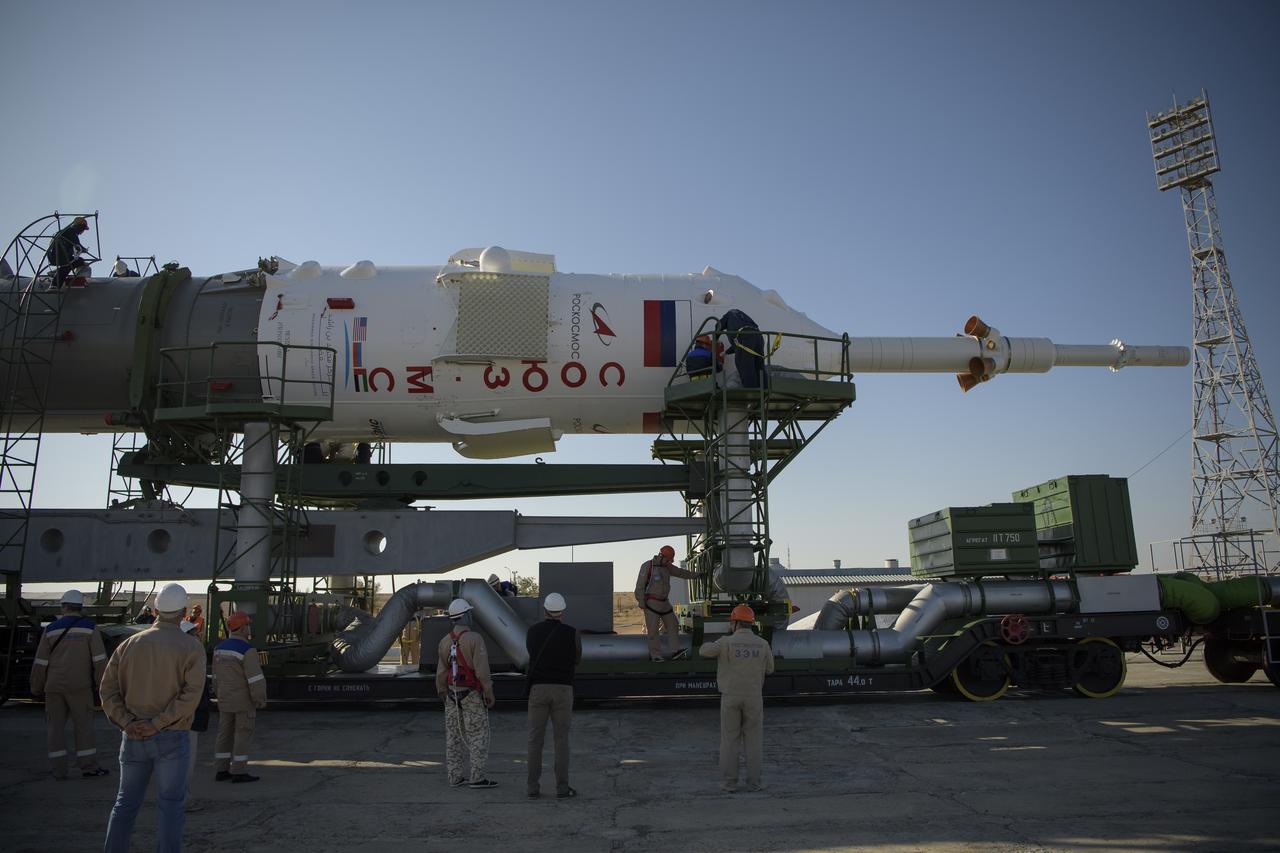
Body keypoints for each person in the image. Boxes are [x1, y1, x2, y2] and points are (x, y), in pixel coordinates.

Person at [100, 582, 205, 853]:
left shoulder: (128, 645)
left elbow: (107, 691)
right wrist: (157, 724)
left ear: (156, 609)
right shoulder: (191, 648)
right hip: (171, 737)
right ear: (184, 612)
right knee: (171, 806)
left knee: (124, 804)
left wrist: (128, 723)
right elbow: (190, 697)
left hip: (133, 737)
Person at [30, 588, 109, 779]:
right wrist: (102, 686)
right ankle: (88, 766)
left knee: (55, 727)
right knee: (83, 726)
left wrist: (36, 686)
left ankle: (59, 770)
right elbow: (99, 661)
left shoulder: (50, 630)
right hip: (79, 686)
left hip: (54, 686)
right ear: (81, 607)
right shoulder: (89, 628)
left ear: (63, 606)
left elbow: (40, 662)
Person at [698, 604, 774, 793]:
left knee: (730, 740)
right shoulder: (763, 644)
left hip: (730, 697)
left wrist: (720, 643)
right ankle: (754, 783)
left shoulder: (725, 642)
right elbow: (770, 669)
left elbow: (703, 651)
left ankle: (728, 783)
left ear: (735, 623)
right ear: (751, 624)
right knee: (754, 741)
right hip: (754, 697)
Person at [434, 598, 497, 788]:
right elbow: (482, 671)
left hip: (452, 695)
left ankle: (455, 776)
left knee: (453, 737)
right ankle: (477, 777)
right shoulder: (475, 639)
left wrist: (442, 691)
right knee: (477, 735)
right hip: (471, 695)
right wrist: (488, 691)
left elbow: (441, 672)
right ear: (466, 616)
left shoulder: (444, 642)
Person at [525, 592, 581, 800]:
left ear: (545, 610)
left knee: (534, 740)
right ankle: (562, 788)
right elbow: (577, 659)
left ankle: (532, 788)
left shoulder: (532, 632)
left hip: (538, 689)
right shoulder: (572, 633)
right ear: (562, 612)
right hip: (563, 690)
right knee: (561, 740)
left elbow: (530, 654)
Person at [212, 611, 267, 783]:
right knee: (242, 733)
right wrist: (260, 698)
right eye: (248, 625)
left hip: (224, 698)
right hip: (243, 700)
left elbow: (215, 677)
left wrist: (218, 693)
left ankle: (221, 769)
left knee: (224, 733)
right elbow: (255, 679)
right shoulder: (247, 650)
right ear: (243, 628)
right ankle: (239, 771)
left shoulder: (219, 649)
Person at [635, 545, 702, 661]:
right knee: (653, 631)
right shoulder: (647, 566)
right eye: (669, 560)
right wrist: (641, 601)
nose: (669, 562)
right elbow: (639, 586)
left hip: (664, 603)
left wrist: (697, 575)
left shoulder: (667, 567)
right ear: (662, 556)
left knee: (673, 624)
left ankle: (674, 652)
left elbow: (681, 573)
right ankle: (655, 655)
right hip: (651, 603)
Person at [181, 620, 212, 807]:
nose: (197, 636)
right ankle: (182, 798)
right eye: (194, 633)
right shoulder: (192, 653)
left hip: (182, 714)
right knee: (185, 759)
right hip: (187, 716)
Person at [719, 308, 768, 389]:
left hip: (745, 338)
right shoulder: (744, 318)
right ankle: (765, 390)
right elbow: (739, 344)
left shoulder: (728, 315)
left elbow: (718, 325)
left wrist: (715, 339)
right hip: (758, 338)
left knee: (746, 366)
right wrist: (726, 352)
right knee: (759, 366)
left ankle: (752, 393)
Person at [45, 215, 90, 289]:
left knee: (73, 262)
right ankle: (54, 285)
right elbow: (77, 246)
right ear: (79, 226)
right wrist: (84, 250)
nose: (82, 231)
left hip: (54, 255)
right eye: (83, 229)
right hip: (60, 255)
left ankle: (55, 272)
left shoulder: (65, 231)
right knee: (74, 262)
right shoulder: (71, 231)